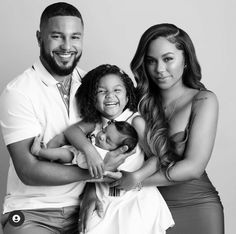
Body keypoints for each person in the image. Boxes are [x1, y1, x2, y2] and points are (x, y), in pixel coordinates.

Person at [0, 3, 131, 233]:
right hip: (32, 212)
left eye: (75, 37)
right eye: (57, 36)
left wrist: (92, 188)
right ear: (40, 37)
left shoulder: (94, 84)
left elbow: (102, 141)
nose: (67, 47)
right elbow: (28, 171)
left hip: (85, 208)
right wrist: (96, 174)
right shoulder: (18, 91)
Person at [115, 23, 223, 234]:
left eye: (168, 59)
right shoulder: (132, 102)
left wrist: (136, 179)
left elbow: (193, 167)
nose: (159, 69)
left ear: (185, 60)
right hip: (147, 209)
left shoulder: (203, 100)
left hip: (197, 207)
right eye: (151, 61)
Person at [69, 64, 174, 234]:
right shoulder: (94, 123)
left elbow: (158, 157)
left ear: (127, 97)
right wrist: (90, 151)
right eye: (101, 91)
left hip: (134, 198)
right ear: (92, 98)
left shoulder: (134, 121)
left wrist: (136, 176)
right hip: (104, 198)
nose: (110, 95)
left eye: (117, 90)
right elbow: (72, 131)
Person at [31, 120, 139, 170]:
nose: (101, 136)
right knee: (61, 143)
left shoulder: (106, 155)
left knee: (63, 153)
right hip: (76, 151)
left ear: (118, 149)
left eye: (108, 140)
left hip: (75, 158)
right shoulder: (96, 135)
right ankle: (45, 155)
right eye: (104, 131)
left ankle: (39, 151)